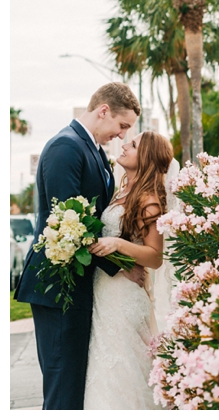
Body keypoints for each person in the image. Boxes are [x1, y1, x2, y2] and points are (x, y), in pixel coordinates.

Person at [15, 83, 142, 411]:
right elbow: (67, 223)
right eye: (122, 125)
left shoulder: (95, 151)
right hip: (58, 286)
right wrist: (122, 265)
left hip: (80, 285)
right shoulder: (66, 148)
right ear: (103, 111)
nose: (121, 135)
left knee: (74, 386)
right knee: (63, 388)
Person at [84, 129, 175, 410]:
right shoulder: (120, 189)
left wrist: (116, 244)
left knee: (124, 365)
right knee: (105, 366)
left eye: (133, 145)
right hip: (106, 289)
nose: (124, 145)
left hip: (124, 298)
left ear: (145, 157)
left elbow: (155, 257)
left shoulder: (149, 200)